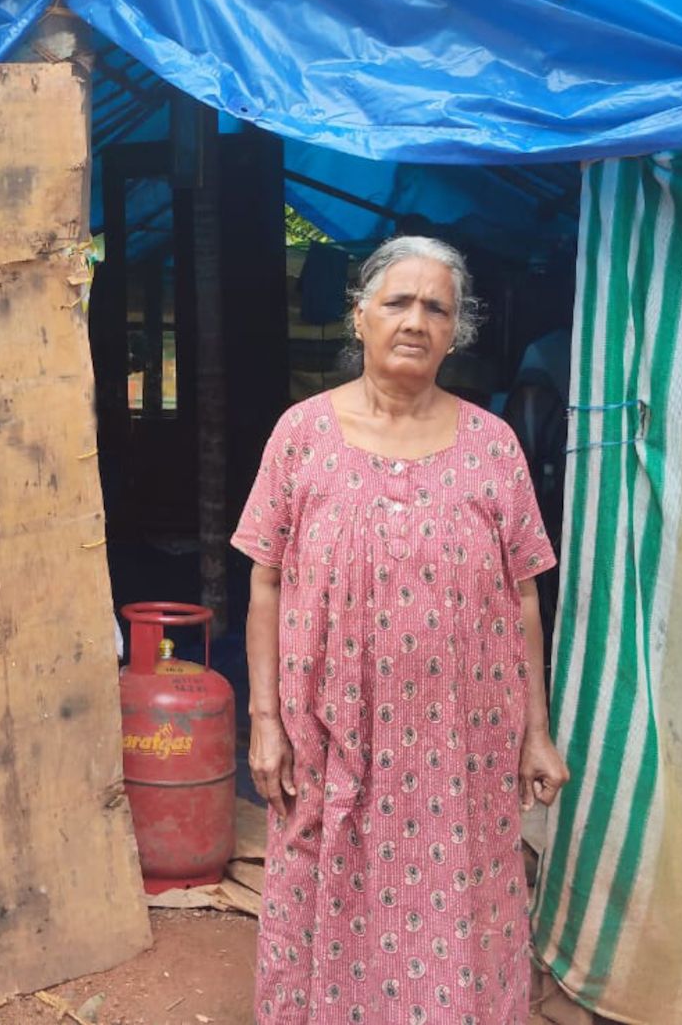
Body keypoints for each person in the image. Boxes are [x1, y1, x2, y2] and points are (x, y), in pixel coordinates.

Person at [234, 235, 568, 1025]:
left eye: (436, 307)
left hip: (459, 746)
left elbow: (524, 597)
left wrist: (537, 733)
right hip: (328, 734)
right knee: (325, 880)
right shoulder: (301, 435)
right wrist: (264, 722)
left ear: (457, 332)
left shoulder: (494, 447)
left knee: (459, 895)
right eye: (398, 302)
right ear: (361, 316)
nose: (416, 320)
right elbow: (265, 579)